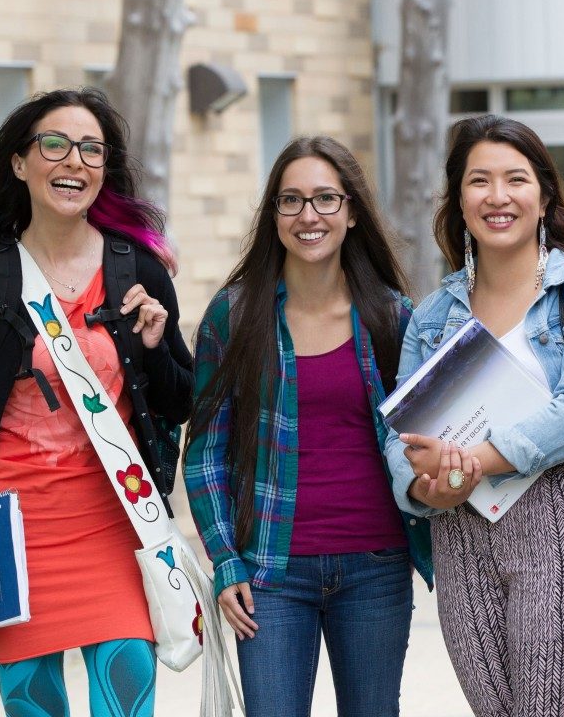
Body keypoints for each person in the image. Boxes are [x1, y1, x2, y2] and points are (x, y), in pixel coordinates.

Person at [0, 87, 193, 715]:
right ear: (19, 162)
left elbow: (182, 403)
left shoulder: (140, 273)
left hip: (116, 530)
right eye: (54, 144)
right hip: (13, 544)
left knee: (126, 703)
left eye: (91, 150)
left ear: (105, 170)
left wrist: (155, 348)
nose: (73, 161)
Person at [383, 114, 564, 717]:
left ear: (545, 194)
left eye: (515, 179)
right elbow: (400, 432)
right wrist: (428, 487)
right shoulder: (431, 316)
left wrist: (473, 460)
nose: (497, 197)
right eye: (480, 181)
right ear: (459, 199)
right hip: (460, 531)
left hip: (559, 519)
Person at [183, 136, 433, 717]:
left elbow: (424, 438)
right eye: (291, 201)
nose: (308, 216)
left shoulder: (393, 317)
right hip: (269, 574)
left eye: (324, 199)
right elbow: (203, 453)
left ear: (350, 212)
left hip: (377, 567)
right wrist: (225, 560)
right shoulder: (235, 315)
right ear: (273, 216)